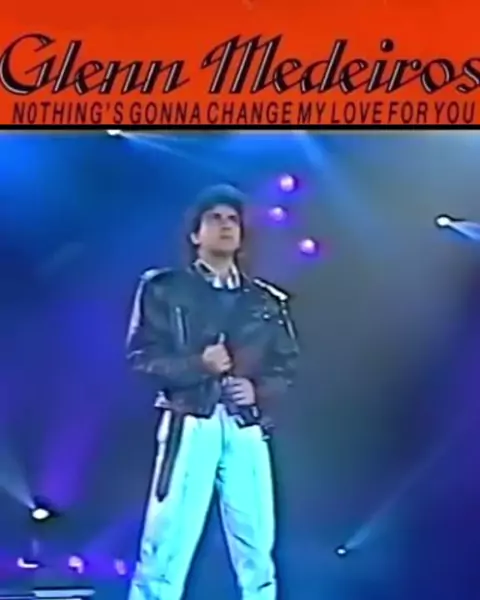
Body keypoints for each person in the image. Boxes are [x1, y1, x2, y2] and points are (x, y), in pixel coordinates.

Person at [126, 184, 299, 600]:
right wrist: (198, 365)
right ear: (195, 233)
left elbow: (287, 366)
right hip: (190, 418)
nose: (225, 226)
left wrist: (257, 390)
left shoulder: (265, 300)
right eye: (215, 218)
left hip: (245, 427)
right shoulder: (164, 288)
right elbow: (141, 358)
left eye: (232, 220)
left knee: (257, 546)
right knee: (167, 543)